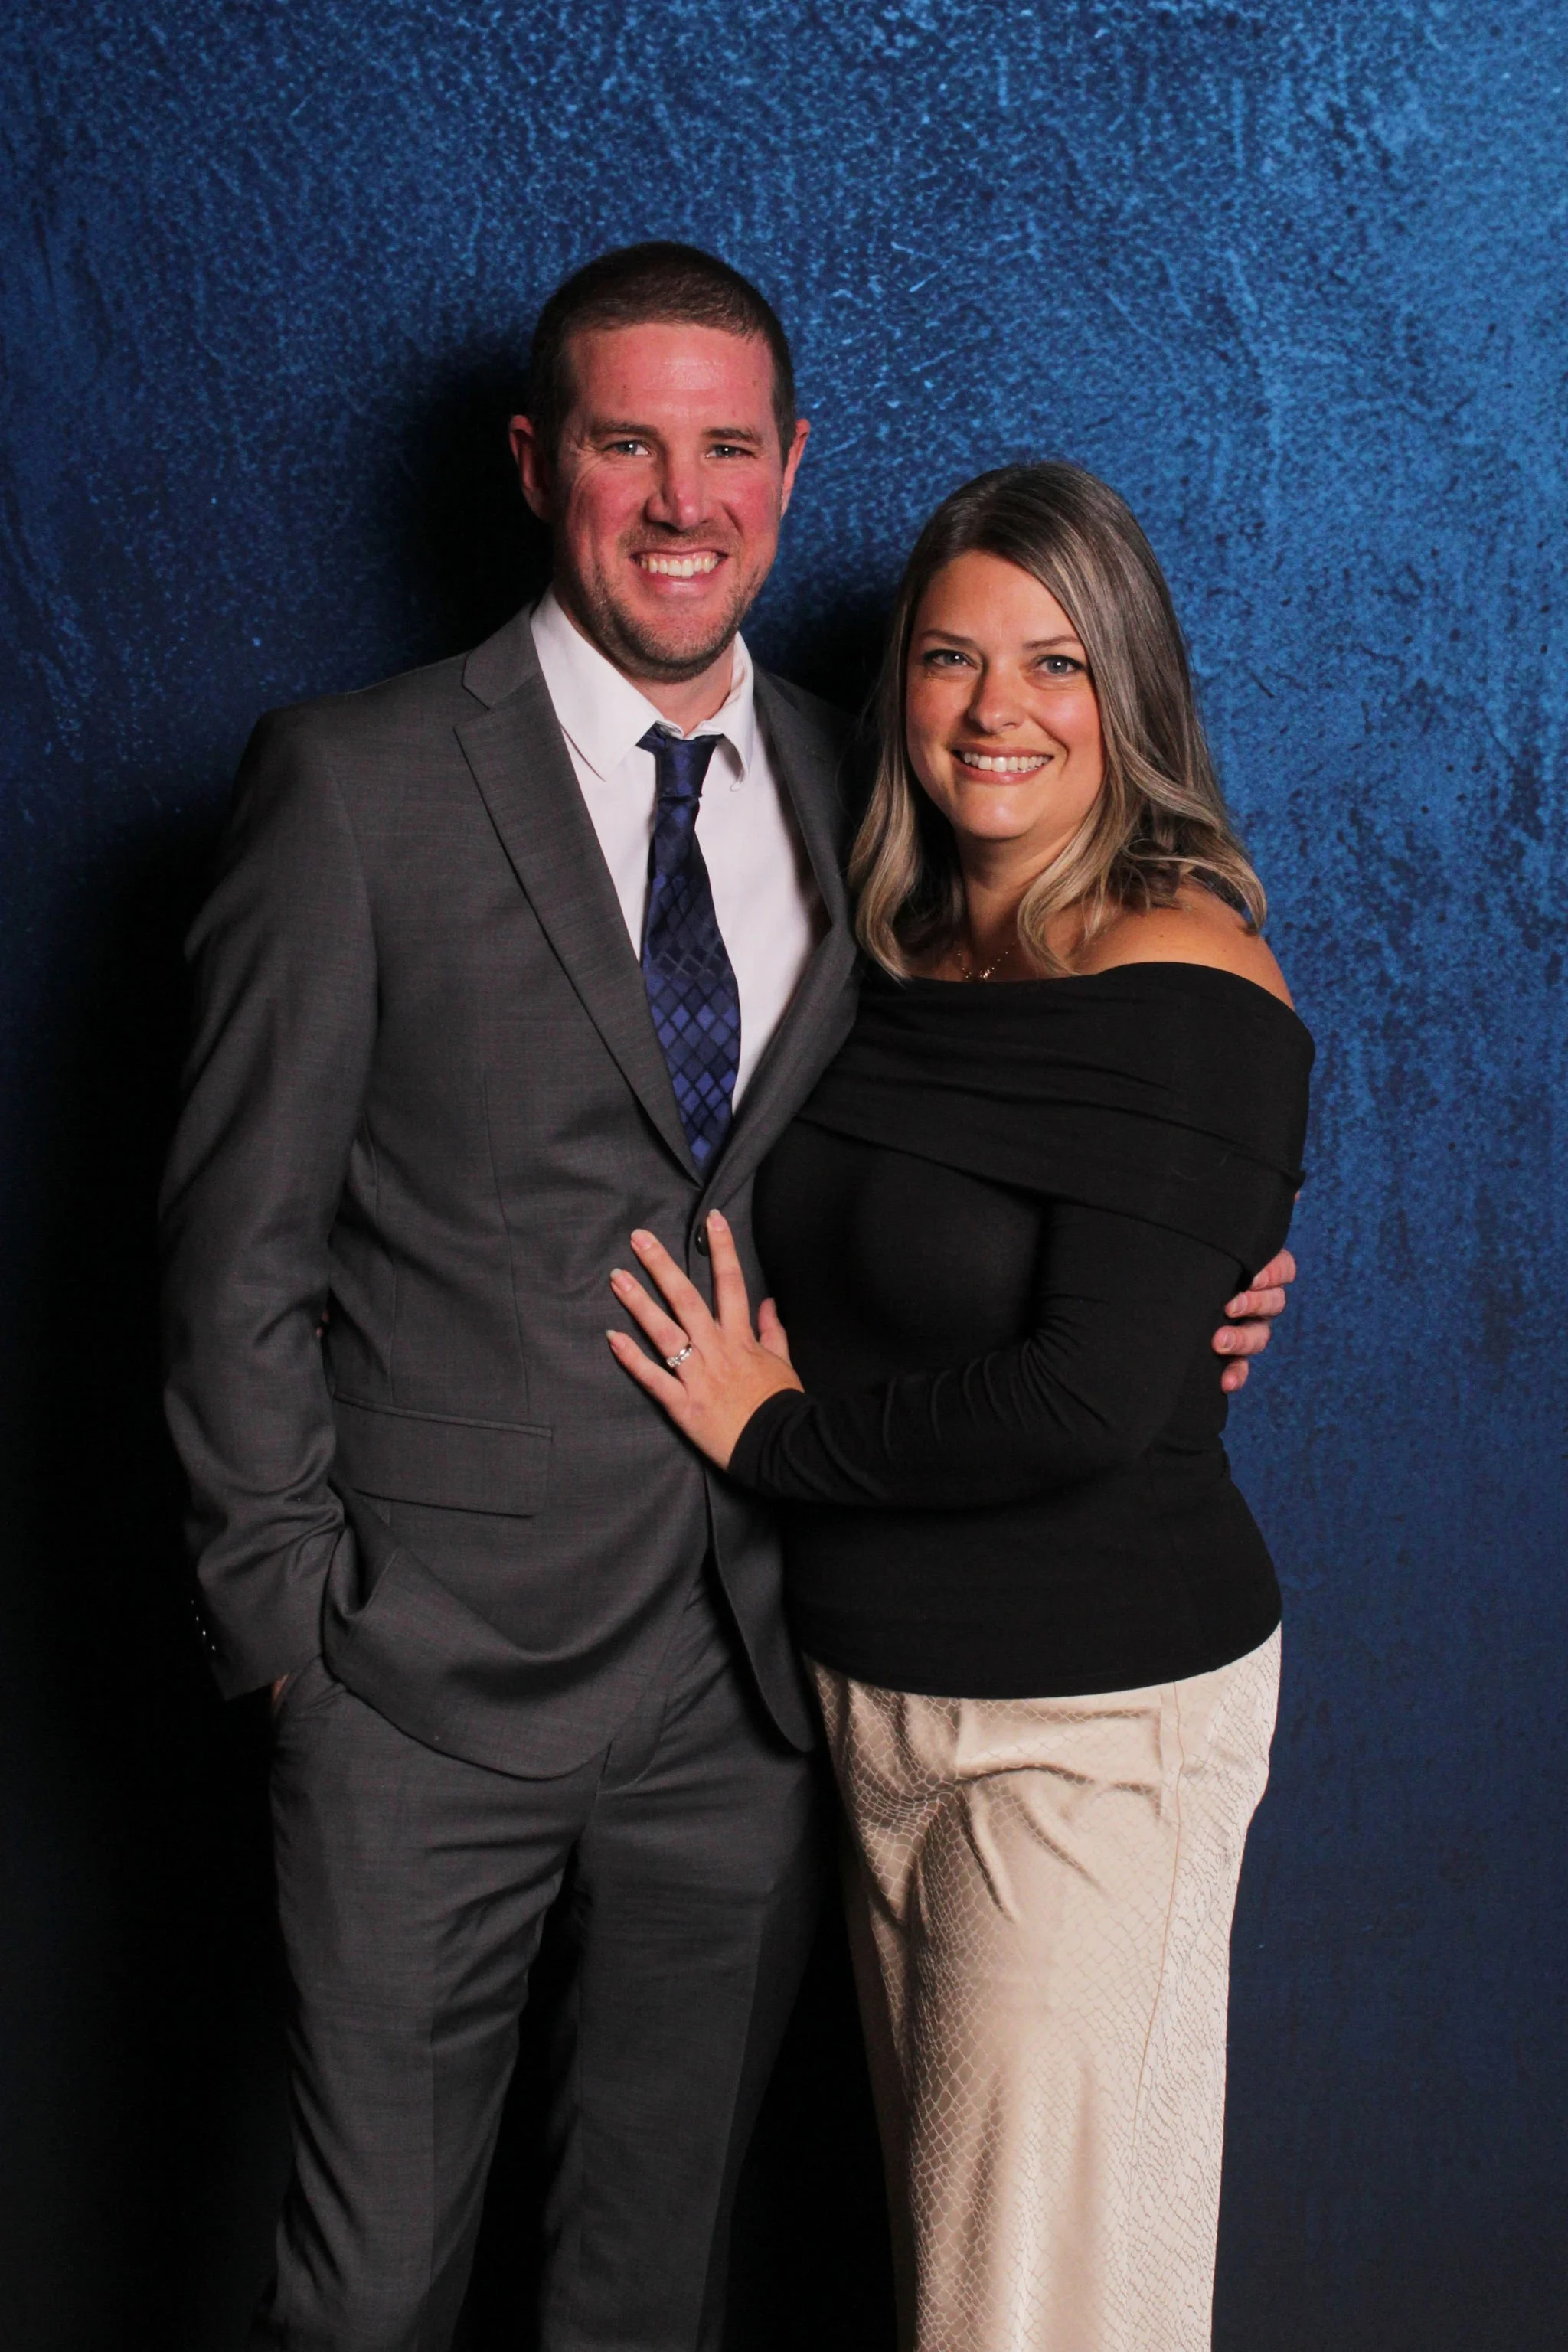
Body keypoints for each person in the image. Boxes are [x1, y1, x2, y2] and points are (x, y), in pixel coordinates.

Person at [161, 236, 1292, 2352]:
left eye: (729, 449)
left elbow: (1057, 1109)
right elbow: (235, 1246)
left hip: (757, 1694)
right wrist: (291, 1644)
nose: (684, 502)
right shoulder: (355, 784)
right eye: (626, 445)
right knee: (368, 2294)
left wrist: (1196, 1262)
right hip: (417, 1702)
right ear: (537, 463)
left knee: (648, 2297)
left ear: (791, 468)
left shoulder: (882, 782)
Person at [606, 461, 1313, 2352]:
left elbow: (1083, 1398)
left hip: (1081, 1732)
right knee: (994, 2286)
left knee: (1028, 2313)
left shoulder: (1188, 974)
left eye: (1057, 663)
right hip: (874, 1704)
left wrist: (771, 1439)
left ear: (1131, 698)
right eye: (948, 658)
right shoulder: (889, 957)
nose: (996, 710)